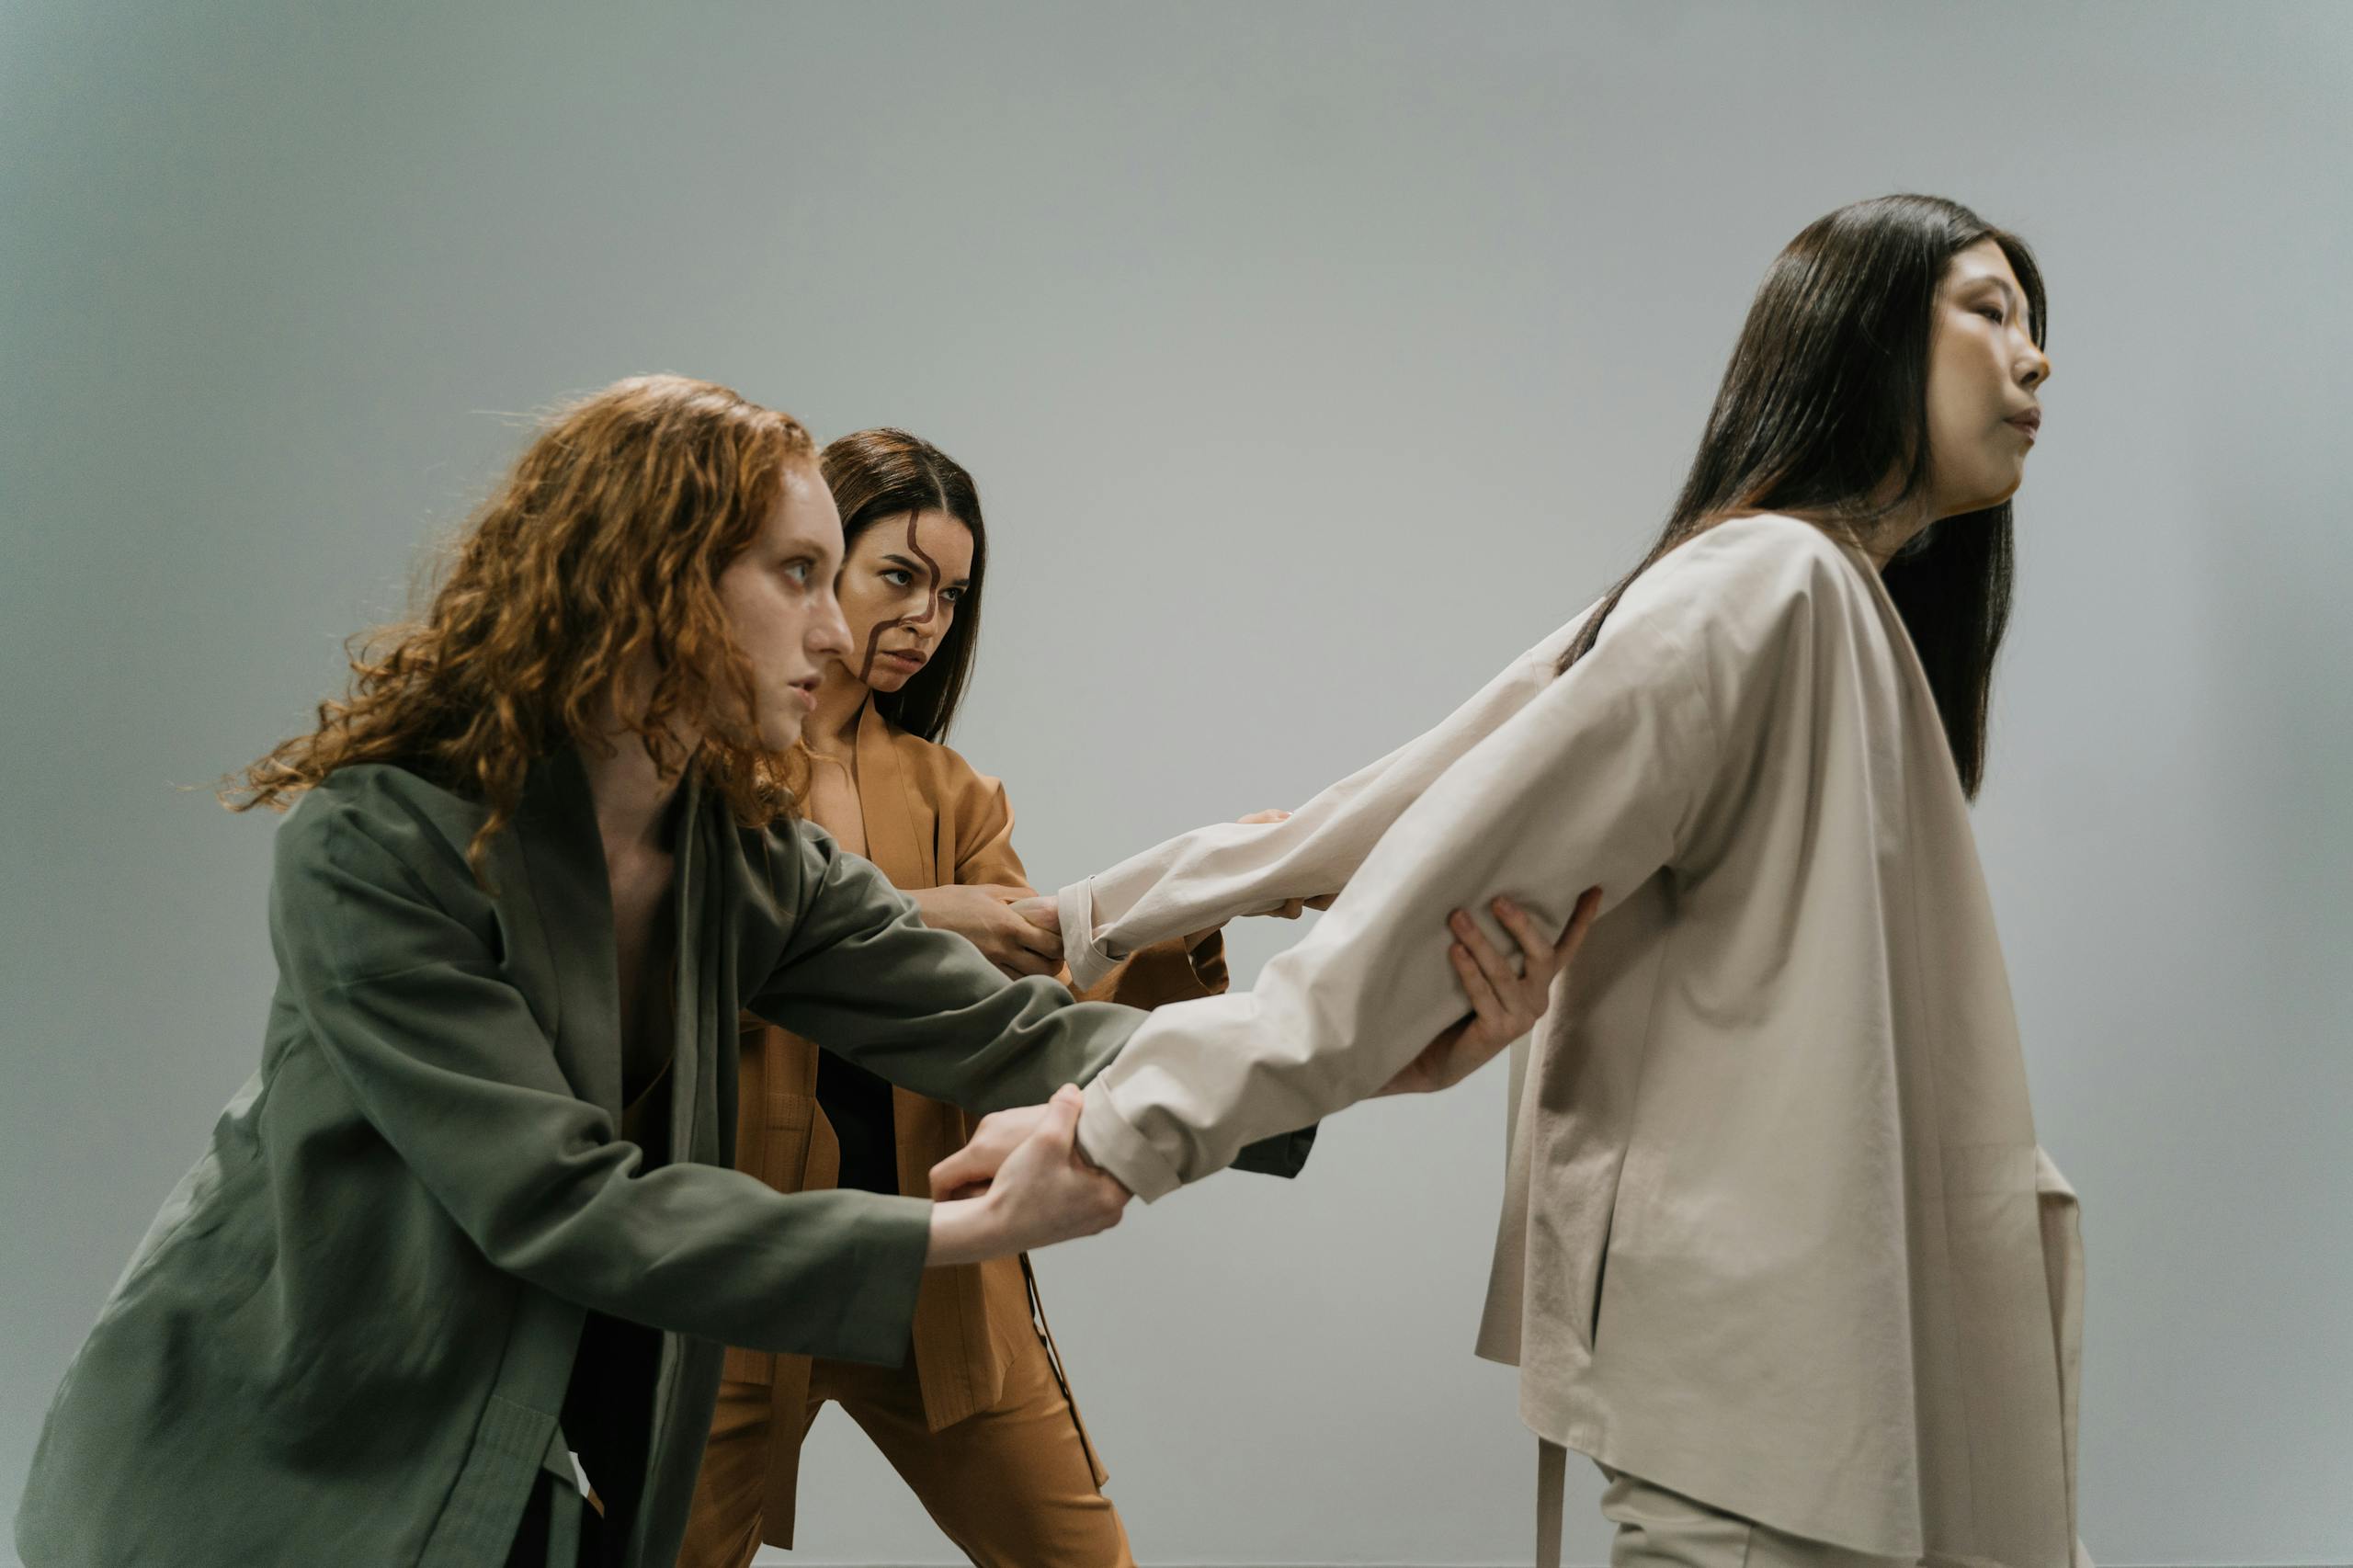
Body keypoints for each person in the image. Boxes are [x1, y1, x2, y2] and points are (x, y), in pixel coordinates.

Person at [12, 376, 1573, 1568]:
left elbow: (1010, 1031)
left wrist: (1355, 1054)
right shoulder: (380, 843)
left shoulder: (747, 859)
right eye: (800, 573)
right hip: (268, 1468)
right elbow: (563, 1202)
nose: (846, 633)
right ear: (650, 577)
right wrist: (968, 1225)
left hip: (543, 1468)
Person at [940, 195, 2089, 1568]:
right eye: (1989, 308)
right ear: (1863, 330)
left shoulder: (1807, 600)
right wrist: (1122, 1120)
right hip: (1769, 1411)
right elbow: (1439, 865)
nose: (2035, 360)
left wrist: (1099, 922)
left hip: (1831, 1383)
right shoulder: (1762, 589)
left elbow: (1415, 796)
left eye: (2036, 324)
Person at [678, 428, 1312, 1568]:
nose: (928, 618)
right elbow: (686, 963)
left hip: (938, 1271)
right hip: (740, 1270)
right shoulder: (696, 766)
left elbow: (1028, 1007)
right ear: (812, 564)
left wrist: (1201, 894)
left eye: (952, 593)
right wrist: (939, 912)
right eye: (901, 577)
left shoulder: (952, 789)